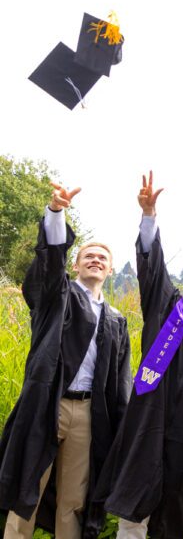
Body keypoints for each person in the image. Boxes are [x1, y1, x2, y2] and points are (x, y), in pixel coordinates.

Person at [94, 173, 183, 539]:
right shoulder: (168, 307)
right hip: (151, 420)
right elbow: (153, 267)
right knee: (135, 502)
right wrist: (149, 217)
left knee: (177, 512)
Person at [0, 182, 131, 539]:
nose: (96, 260)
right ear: (75, 264)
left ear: (111, 270)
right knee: (29, 486)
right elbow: (50, 265)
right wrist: (56, 214)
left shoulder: (116, 320)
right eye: (89, 255)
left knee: (74, 496)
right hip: (48, 403)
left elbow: (120, 381)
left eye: (103, 258)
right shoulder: (58, 297)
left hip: (88, 414)